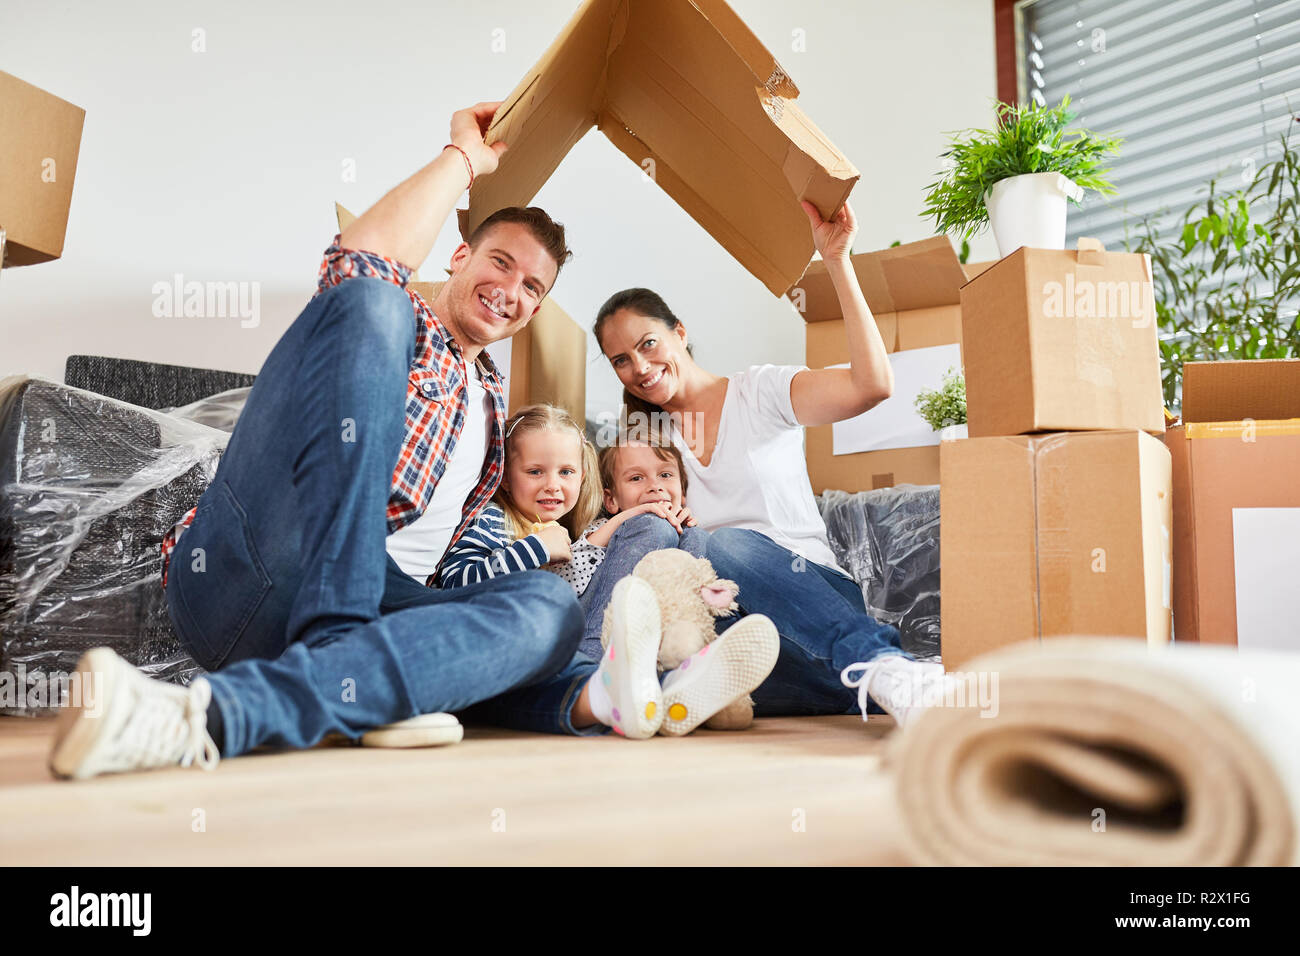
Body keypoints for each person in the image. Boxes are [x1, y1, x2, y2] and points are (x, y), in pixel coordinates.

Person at [49, 102, 665, 779]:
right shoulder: (403, 328)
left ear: (537, 308)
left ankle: (230, 712)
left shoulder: (493, 406)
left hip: (384, 607)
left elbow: (461, 572)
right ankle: (345, 641)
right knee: (374, 300)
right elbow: (366, 265)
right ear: (460, 256)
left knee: (550, 610)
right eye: (499, 263)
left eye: (531, 287)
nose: (509, 290)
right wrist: (465, 159)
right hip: (253, 576)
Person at [591, 200, 950, 728]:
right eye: (621, 359)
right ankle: (867, 683)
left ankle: (883, 664)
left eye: (648, 344)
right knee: (681, 664)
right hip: (733, 620)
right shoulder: (649, 444)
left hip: (811, 593)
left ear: (679, 332)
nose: (639, 367)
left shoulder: (759, 391)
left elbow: (872, 385)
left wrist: (837, 262)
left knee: (729, 542)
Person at [439, 407, 776, 736]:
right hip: (547, 646)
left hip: (588, 634)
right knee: (654, 528)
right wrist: (538, 547)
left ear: (582, 477)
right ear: (506, 479)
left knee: (693, 538)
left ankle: (676, 675)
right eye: (535, 471)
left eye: (566, 472)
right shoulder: (494, 519)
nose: (553, 485)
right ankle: (597, 674)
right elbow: (453, 584)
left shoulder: (565, 526)